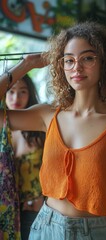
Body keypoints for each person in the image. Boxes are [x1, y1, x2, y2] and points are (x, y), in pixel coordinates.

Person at [0, 21, 106, 240]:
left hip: (96, 232)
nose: (77, 67)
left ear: (105, 62)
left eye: (88, 58)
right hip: (45, 227)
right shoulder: (47, 115)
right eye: (69, 60)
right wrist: (26, 65)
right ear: (60, 65)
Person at [4, 75, 45, 240]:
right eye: (11, 91)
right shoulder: (2, 130)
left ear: (30, 95)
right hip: (4, 209)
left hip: (32, 210)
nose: (16, 98)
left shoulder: (41, 130)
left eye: (22, 92)